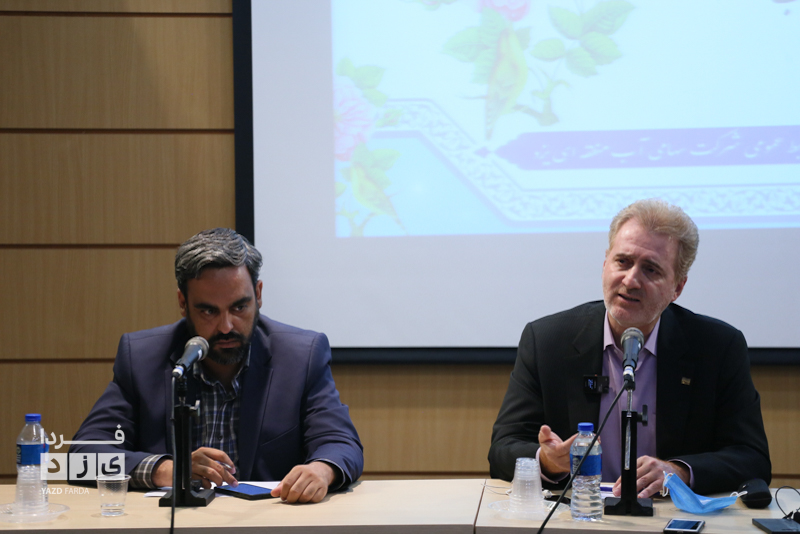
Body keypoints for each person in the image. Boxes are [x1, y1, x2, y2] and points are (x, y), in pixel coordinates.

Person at [488, 199, 771, 498]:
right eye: (622, 262)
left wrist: (679, 471)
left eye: (651, 270)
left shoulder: (717, 347)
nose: (631, 280)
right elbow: (503, 448)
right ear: (604, 264)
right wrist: (548, 461)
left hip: (668, 514)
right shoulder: (547, 341)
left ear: (677, 287)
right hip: (578, 513)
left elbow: (752, 459)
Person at [71, 228, 363, 503]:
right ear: (183, 303)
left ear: (258, 294)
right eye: (209, 311)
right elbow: (83, 457)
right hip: (174, 525)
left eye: (239, 307)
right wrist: (169, 469)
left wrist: (321, 470)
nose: (226, 327)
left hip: (267, 522)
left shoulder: (300, 356)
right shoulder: (142, 357)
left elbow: (340, 442)